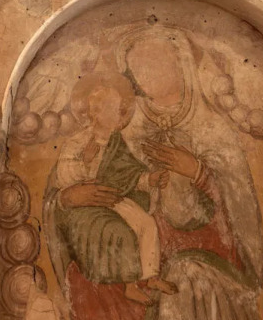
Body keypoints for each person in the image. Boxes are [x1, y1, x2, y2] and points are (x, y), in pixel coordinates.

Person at [44, 25, 263, 320]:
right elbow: (67, 186)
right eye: (138, 69)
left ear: (180, 62)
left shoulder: (214, 130)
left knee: (185, 278)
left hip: (205, 248)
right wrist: (70, 197)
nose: (148, 75)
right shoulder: (121, 127)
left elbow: (239, 206)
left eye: (155, 62)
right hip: (130, 237)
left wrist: (197, 171)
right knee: (85, 275)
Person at [54, 71, 178, 305]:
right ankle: (130, 286)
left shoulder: (116, 141)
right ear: (96, 113)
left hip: (114, 198)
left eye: (120, 108)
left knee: (147, 223)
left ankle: (151, 277)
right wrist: (85, 162)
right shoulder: (78, 142)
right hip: (89, 204)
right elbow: (63, 177)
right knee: (124, 231)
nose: (119, 113)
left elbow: (128, 173)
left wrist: (149, 179)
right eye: (113, 108)